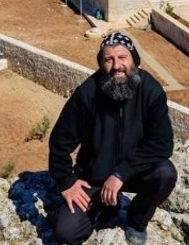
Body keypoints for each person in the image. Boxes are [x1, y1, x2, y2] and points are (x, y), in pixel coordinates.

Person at [49, 32, 177, 245]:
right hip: (94, 176)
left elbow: (162, 144)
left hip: (134, 173)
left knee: (165, 173)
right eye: (109, 59)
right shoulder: (87, 93)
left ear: (133, 59)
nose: (117, 65)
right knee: (67, 233)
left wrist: (121, 173)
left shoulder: (151, 91)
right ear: (101, 63)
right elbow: (59, 141)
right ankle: (107, 206)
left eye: (122, 57)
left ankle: (136, 220)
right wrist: (66, 181)